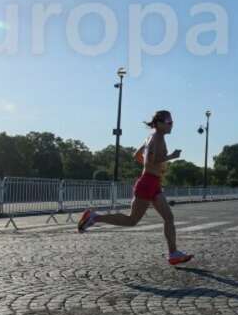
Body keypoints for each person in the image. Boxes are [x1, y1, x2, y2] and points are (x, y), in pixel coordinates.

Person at [77, 109, 193, 266]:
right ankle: (94, 217)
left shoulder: (152, 136)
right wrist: (170, 157)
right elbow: (147, 162)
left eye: (172, 122)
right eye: (169, 122)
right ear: (159, 124)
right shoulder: (156, 137)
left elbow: (136, 155)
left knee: (168, 217)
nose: (172, 125)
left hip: (153, 183)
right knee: (132, 220)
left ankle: (173, 253)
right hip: (147, 183)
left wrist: (156, 169)